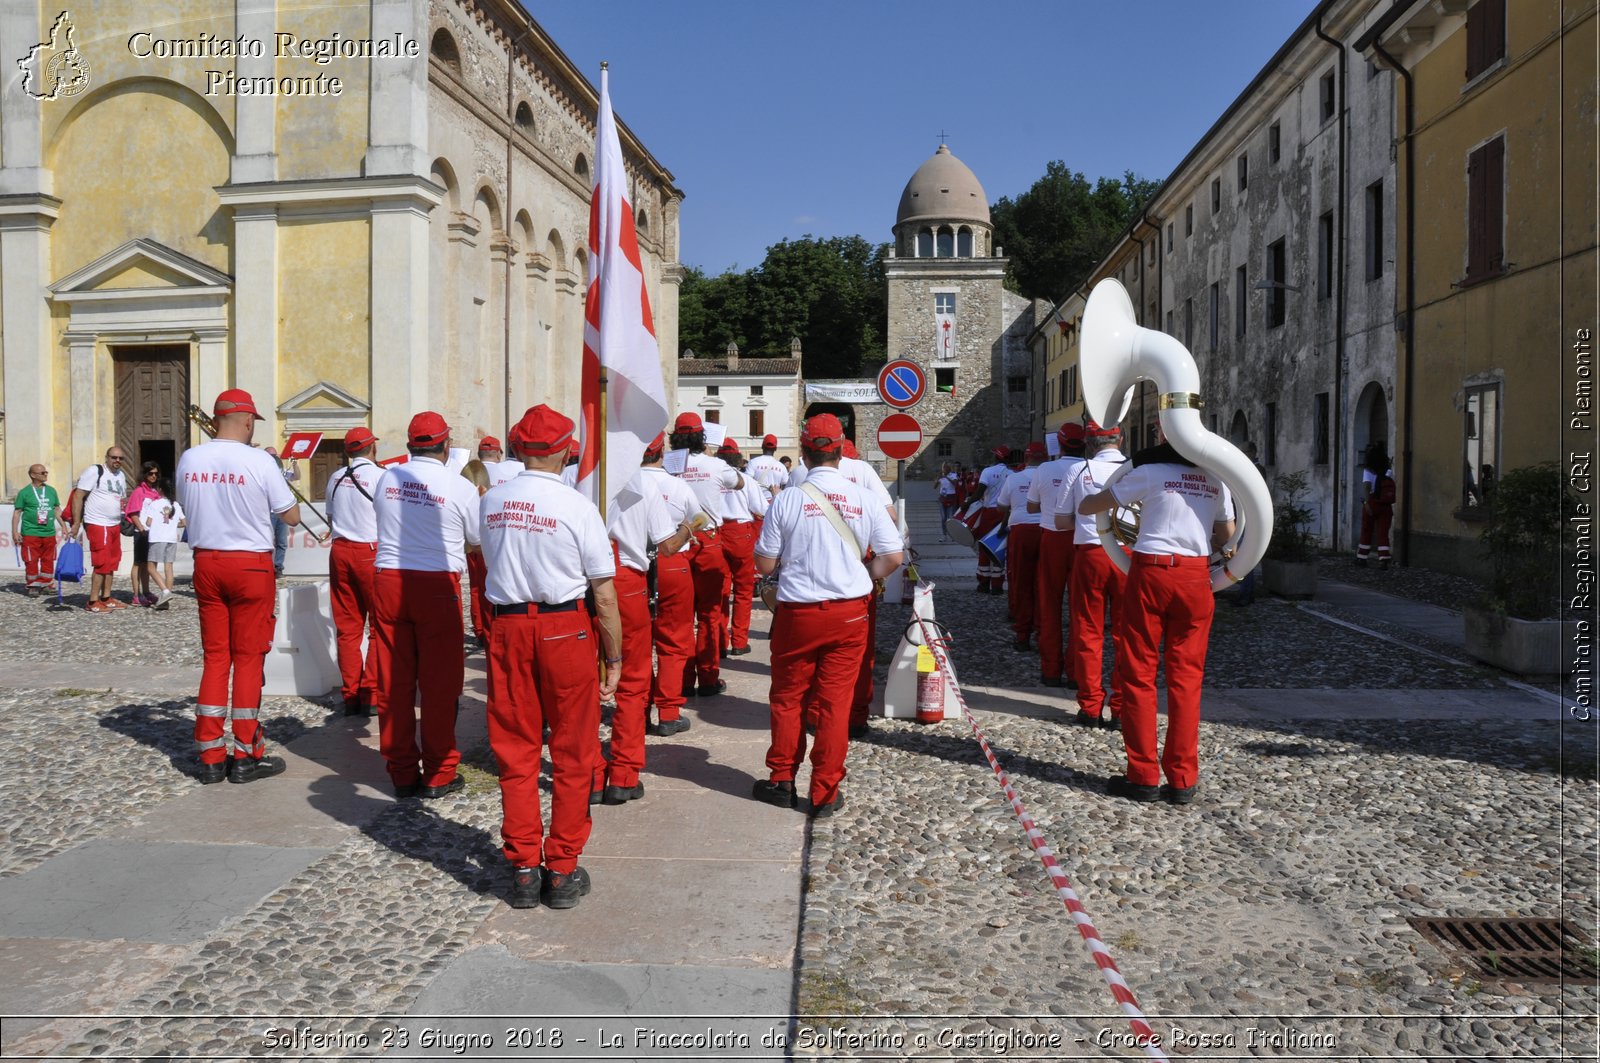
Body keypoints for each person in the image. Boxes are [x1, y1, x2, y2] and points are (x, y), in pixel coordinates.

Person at [480, 404, 622, 909]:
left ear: (518, 447)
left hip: (510, 624)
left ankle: (522, 867)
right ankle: (561, 868)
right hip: (565, 626)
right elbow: (604, 592)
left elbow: (484, 556)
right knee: (573, 749)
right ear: (565, 451)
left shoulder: (492, 500)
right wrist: (616, 656)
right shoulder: (576, 505)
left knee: (515, 749)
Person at [752, 414, 903, 815]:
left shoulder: (788, 497)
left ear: (803, 452)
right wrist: (866, 575)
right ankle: (824, 792)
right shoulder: (865, 497)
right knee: (836, 703)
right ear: (841, 450)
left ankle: (782, 778)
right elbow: (893, 556)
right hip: (850, 612)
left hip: (799, 612)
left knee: (787, 698)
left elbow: (765, 565)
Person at [1079, 438, 1234, 805]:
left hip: (1150, 573)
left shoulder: (1148, 473)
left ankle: (1143, 775)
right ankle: (1182, 778)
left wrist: (1117, 492)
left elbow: (1090, 507)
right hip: (1196, 577)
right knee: (1187, 678)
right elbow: (1226, 535)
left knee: (1137, 674)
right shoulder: (1217, 481)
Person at [176, 389, 304, 784]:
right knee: (248, 658)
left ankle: (211, 754)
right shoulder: (260, 460)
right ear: (248, 421)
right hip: (249, 565)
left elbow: (186, 503)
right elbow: (293, 516)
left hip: (207, 561)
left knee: (216, 657)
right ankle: (247, 753)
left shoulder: (189, 457)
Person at [372, 411, 482, 799]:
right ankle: (438, 771)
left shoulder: (388, 477)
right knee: (439, 685)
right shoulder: (459, 486)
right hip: (437, 583)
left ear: (408, 446)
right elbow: (475, 538)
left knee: (393, 683)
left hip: (388, 579)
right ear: (447, 445)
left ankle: (401, 771)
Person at [606, 431, 697, 798]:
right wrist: (691, 527)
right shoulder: (645, 482)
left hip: (578, 582)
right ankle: (623, 775)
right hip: (626, 579)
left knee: (577, 685)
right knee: (634, 676)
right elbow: (668, 546)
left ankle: (589, 774)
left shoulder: (580, 475)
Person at [1058, 422, 1129, 726]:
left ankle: (1090, 706)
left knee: (1088, 629)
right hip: (1128, 554)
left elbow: (1061, 521)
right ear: (1121, 439)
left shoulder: (1078, 470)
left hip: (1090, 552)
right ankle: (1123, 706)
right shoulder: (1136, 469)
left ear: (1088, 443)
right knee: (1129, 634)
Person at [671, 411, 744, 697]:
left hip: (676, 542)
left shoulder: (668, 466)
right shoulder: (714, 465)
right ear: (702, 437)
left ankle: (684, 680)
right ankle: (709, 677)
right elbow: (738, 482)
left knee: (680, 617)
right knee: (709, 615)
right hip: (708, 541)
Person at [644, 432, 710, 736]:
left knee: (636, 643)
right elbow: (701, 518)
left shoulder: (622, 485)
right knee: (674, 638)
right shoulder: (677, 485)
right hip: (672, 563)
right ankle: (669, 712)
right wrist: (686, 528)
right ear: (662, 453)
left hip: (634, 564)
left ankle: (637, 710)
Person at [324, 427, 383, 716]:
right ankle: (370, 693)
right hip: (369, 552)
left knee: (347, 627)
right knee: (379, 626)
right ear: (372, 448)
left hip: (340, 550)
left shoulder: (335, 477)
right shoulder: (381, 476)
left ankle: (350, 694)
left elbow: (332, 517)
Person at [1030, 424, 1087, 687]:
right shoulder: (1089, 467)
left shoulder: (1044, 469)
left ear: (1060, 445)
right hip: (1081, 538)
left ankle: (1051, 670)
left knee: (1049, 604)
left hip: (1052, 536)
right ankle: (1076, 671)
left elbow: (1032, 504)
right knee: (1081, 608)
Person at [718, 437, 768, 657]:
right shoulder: (746, 480)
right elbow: (761, 508)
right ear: (737, 457)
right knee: (743, 590)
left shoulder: (713, 476)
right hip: (740, 532)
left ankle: (718, 641)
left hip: (716, 532)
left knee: (718, 592)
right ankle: (739, 641)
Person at [997, 442, 1046, 650]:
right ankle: (1044, 633)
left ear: (1026, 459)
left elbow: (1001, 505)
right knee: (1044, 585)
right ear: (1044, 458)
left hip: (1021, 530)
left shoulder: (1014, 478)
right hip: (1046, 529)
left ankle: (1022, 633)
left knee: (1021, 583)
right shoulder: (1048, 475)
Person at [69, 445, 130, 611]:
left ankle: (106, 597)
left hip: (114, 524)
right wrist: (76, 522)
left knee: (112, 561)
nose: (117, 461)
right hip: (97, 522)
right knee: (101, 562)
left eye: (120, 458)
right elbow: (78, 496)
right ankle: (92, 601)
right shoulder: (94, 471)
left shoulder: (121, 475)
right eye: (113, 457)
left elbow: (120, 499)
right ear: (107, 457)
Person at [460, 458, 495, 650]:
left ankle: (480, 629)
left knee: (475, 588)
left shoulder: (463, 491)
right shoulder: (487, 494)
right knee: (485, 589)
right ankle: (486, 630)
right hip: (483, 545)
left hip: (469, 544)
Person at [13, 464, 63, 596]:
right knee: (31, 560)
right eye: (42, 473)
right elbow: (17, 512)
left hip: (49, 533)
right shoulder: (24, 492)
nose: (45, 474)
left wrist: (64, 526)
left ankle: (47, 583)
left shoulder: (51, 491)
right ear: (33, 475)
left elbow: (57, 510)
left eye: (46, 472)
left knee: (48, 559)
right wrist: (15, 532)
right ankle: (32, 585)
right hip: (30, 532)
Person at [135, 477, 185, 610]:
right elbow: (184, 523)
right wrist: (173, 524)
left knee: (151, 568)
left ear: (160, 489)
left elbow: (148, 522)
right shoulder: (176, 505)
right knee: (169, 568)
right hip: (171, 539)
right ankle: (165, 600)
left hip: (158, 538)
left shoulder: (155, 504)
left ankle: (165, 591)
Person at [972, 446, 1012, 592]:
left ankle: (983, 582)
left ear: (996, 457)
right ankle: (997, 585)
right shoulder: (1011, 473)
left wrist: (966, 504)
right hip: (1005, 513)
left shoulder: (987, 471)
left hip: (989, 512)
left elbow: (979, 493)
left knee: (984, 547)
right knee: (999, 548)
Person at [126, 462, 163, 605]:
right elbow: (133, 512)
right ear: (145, 474)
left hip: (153, 533)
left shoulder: (155, 492)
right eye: (150, 473)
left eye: (155, 473)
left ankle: (146, 592)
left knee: (148, 565)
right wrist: (141, 528)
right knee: (138, 563)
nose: (153, 476)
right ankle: (136, 594)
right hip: (141, 532)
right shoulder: (139, 491)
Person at [1357, 442, 1395, 567]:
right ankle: (1384, 558)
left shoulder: (1368, 470)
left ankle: (1362, 558)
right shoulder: (1387, 470)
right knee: (1383, 532)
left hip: (1372, 501)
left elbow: (1367, 486)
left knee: (1367, 530)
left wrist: (1367, 503)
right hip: (1385, 504)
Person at [263, 446, 299, 577]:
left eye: (275, 455)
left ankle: (278, 568)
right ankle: (267, 567)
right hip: (268, 512)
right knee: (268, 541)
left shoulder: (281, 471)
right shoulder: (263, 471)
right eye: (271, 455)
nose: (274, 458)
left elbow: (297, 476)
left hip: (282, 512)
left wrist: (295, 464)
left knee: (282, 542)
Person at [937, 462, 960, 539]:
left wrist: (947, 477)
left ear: (949, 468)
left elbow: (955, 484)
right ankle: (944, 535)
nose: (943, 469)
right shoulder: (941, 476)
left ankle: (952, 534)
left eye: (945, 468)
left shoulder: (953, 475)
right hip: (942, 497)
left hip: (951, 497)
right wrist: (938, 478)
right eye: (943, 468)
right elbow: (934, 486)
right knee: (943, 518)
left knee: (950, 518)